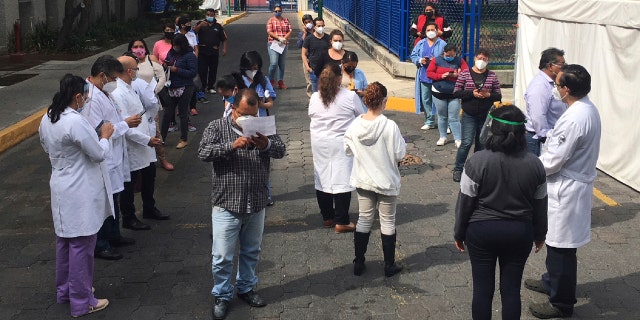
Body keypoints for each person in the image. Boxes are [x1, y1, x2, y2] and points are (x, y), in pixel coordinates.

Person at [197, 89, 286, 320]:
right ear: (233, 108)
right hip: (227, 202)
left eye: (253, 114)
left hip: (256, 202)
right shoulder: (216, 127)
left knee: (251, 251)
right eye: (243, 114)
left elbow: (281, 150)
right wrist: (231, 146)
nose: (248, 119)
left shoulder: (263, 126)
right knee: (222, 255)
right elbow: (203, 152)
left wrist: (266, 144)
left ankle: (246, 288)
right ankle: (222, 294)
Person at [454, 105, 548, 320]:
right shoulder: (535, 164)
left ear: (492, 130)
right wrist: (540, 234)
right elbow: (540, 204)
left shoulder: (477, 161)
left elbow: (465, 203)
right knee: (511, 290)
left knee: (482, 290)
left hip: (481, 232)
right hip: (519, 233)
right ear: (523, 133)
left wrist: (459, 233)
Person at [526, 64, 601, 319]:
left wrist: (527, 169)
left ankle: (561, 302)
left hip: (567, 189)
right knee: (556, 241)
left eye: (557, 85)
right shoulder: (584, 109)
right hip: (567, 185)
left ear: (566, 89)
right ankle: (550, 281)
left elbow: (554, 159)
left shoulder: (575, 118)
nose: (555, 89)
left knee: (562, 247)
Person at [39, 74, 114, 317]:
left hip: (60, 184)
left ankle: (66, 291)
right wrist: (105, 136)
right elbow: (98, 153)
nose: (86, 101)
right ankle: (83, 301)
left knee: (64, 242)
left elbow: (45, 145)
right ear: (77, 97)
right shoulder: (75, 121)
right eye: (85, 97)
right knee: (82, 244)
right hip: (80, 188)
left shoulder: (48, 117)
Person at [344, 82, 406, 277]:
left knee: (364, 219)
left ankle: (359, 262)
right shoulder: (390, 126)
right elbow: (399, 153)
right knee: (387, 222)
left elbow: (347, 149)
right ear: (384, 101)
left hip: (363, 180)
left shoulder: (354, 125)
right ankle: (389, 265)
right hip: (386, 181)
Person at [82, 55, 140, 260]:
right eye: (113, 78)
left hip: (115, 154)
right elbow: (100, 130)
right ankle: (101, 243)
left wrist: (123, 122)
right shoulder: (90, 98)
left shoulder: (103, 92)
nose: (115, 82)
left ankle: (114, 235)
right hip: (104, 155)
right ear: (101, 75)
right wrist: (125, 124)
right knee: (103, 202)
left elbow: (112, 120)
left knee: (113, 197)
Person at [111, 55, 167, 231]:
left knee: (150, 174)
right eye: (136, 69)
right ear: (129, 71)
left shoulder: (131, 87)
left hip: (145, 138)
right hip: (133, 143)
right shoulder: (118, 92)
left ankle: (149, 207)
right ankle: (129, 216)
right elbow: (125, 124)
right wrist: (147, 140)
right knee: (130, 181)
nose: (137, 72)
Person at [309, 64, 365, 233]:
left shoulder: (315, 97)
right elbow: (361, 116)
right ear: (340, 78)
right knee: (342, 179)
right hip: (341, 142)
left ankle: (327, 217)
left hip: (319, 143)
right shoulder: (349, 96)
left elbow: (312, 115)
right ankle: (342, 221)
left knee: (323, 177)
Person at [452, 49, 502, 182]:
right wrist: (471, 93)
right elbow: (456, 92)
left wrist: (488, 95)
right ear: (474, 58)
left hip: (485, 115)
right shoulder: (465, 74)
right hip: (469, 113)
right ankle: (458, 169)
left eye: (485, 59)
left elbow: (498, 95)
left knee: (481, 143)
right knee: (466, 142)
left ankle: (477, 169)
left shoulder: (492, 75)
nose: (482, 61)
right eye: (480, 58)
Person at [128, 38, 174, 171]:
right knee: (137, 132)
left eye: (141, 46)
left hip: (150, 104)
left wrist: (153, 91)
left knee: (155, 132)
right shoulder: (127, 64)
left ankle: (163, 159)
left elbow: (162, 78)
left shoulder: (150, 60)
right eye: (135, 47)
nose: (138, 49)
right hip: (133, 105)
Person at [524, 48, 567, 156]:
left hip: (551, 136)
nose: (564, 68)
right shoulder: (540, 86)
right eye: (561, 64)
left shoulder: (553, 83)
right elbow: (538, 115)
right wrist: (546, 138)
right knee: (536, 171)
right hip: (538, 139)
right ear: (550, 66)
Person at [159, 33, 198, 149]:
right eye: (173, 45)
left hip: (185, 87)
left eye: (177, 45)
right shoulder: (172, 52)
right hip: (171, 87)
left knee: (183, 113)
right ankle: (162, 139)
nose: (175, 47)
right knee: (167, 114)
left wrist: (177, 70)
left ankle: (184, 138)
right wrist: (166, 65)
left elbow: (192, 73)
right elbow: (167, 61)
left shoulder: (190, 55)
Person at [427, 43, 468, 147]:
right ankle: (443, 137)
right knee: (442, 116)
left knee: (454, 117)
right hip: (439, 92)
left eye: (452, 55)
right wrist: (442, 75)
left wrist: (458, 75)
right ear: (444, 53)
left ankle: (458, 139)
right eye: (448, 55)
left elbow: (466, 73)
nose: (450, 57)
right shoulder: (436, 60)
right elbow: (430, 73)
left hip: (454, 93)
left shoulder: (460, 60)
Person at [411, 22, 446, 130]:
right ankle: (429, 121)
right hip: (424, 76)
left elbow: (448, 58)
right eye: (428, 30)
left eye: (433, 30)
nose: (430, 32)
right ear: (425, 32)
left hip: (437, 77)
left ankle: (446, 123)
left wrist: (435, 61)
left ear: (437, 31)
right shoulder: (421, 43)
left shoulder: (443, 44)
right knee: (426, 99)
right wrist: (420, 60)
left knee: (440, 101)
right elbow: (413, 55)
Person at [177, 15, 209, 112]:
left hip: (192, 62)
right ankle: (181, 108)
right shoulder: (176, 36)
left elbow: (196, 47)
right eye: (187, 24)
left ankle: (193, 107)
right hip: (181, 63)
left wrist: (195, 58)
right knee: (181, 86)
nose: (189, 25)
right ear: (182, 25)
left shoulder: (192, 35)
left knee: (193, 84)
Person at [193, 8, 228, 95]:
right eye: (208, 15)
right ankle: (203, 86)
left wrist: (224, 49)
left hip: (214, 51)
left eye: (211, 15)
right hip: (202, 51)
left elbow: (224, 39)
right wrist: (200, 25)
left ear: (214, 15)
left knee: (213, 70)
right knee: (202, 70)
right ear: (205, 15)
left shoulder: (218, 26)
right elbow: (193, 32)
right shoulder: (201, 24)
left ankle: (210, 87)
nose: (209, 16)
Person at [239, 51, 276, 117]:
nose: (252, 71)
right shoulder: (238, 81)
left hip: (261, 120)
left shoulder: (264, 81)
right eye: (250, 69)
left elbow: (270, 103)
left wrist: (261, 105)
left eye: (255, 68)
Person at [266, 5, 293, 89]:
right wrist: (278, 38)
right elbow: (269, 32)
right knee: (273, 63)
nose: (278, 12)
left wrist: (284, 38)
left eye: (279, 11)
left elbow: (290, 30)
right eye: (276, 11)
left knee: (282, 64)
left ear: (281, 11)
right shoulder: (271, 20)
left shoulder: (286, 20)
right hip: (273, 44)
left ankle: (280, 82)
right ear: (274, 12)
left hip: (283, 44)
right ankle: (270, 81)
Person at [301, 17, 330, 93]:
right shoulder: (309, 39)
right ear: (314, 26)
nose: (321, 28)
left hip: (326, 71)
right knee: (315, 94)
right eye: (318, 26)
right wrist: (308, 68)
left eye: (322, 26)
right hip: (314, 70)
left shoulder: (328, 38)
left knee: (326, 93)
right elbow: (303, 54)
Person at [297, 14, 314, 96]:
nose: (308, 24)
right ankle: (310, 99)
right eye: (306, 22)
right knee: (309, 81)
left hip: (317, 59)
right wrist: (304, 33)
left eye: (309, 21)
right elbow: (300, 45)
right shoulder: (302, 34)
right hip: (307, 60)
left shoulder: (317, 32)